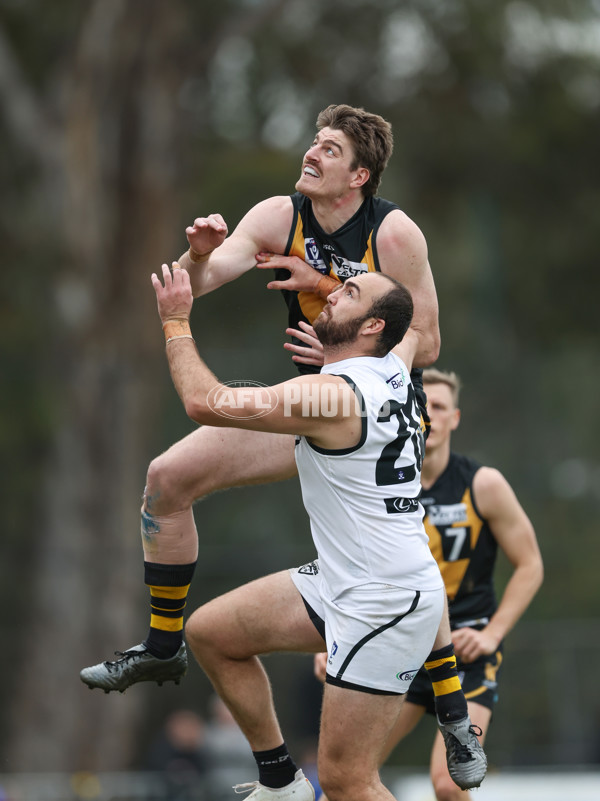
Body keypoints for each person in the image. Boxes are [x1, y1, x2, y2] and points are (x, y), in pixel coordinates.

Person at [80, 104, 440, 693]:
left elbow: (425, 342)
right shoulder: (280, 214)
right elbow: (202, 279)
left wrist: (322, 285)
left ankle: (444, 693)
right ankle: (163, 647)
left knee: (386, 566)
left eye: (331, 150)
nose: (313, 152)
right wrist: (199, 254)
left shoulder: (393, 233)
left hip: (377, 419)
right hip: (311, 405)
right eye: (315, 141)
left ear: (359, 177)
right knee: (166, 479)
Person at [151, 265, 484, 801]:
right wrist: (324, 283)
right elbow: (414, 326)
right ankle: (281, 782)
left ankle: (450, 709)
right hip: (354, 578)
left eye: (348, 292)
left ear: (373, 326)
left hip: (383, 600)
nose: (331, 293)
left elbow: (203, 402)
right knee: (213, 634)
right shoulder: (394, 364)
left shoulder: (333, 397)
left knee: (347, 782)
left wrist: (175, 319)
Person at [311, 367, 543, 801]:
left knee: (449, 784)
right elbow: (343, 563)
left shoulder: (483, 484)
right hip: (398, 641)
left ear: (455, 417)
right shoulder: (379, 480)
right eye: (424, 407)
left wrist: (492, 634)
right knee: (343, 778)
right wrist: (330, 639)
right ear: (412, 414)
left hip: (462, 651)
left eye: (440, 407)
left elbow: (531, 564)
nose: (430, 416)